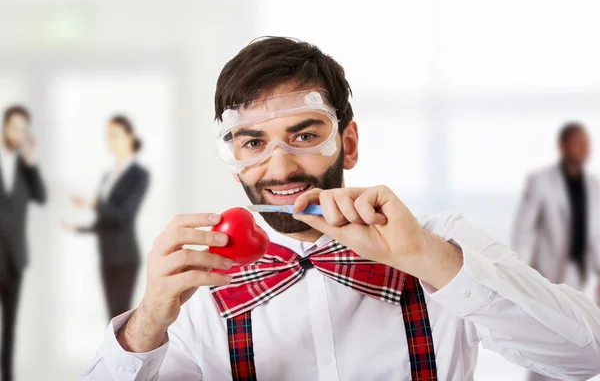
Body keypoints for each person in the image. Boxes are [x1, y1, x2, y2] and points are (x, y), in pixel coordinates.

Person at [81, 38, 600, 381]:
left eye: (305, 135)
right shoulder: (199, 288)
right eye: (253, 143)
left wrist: (426, 257)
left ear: (347, 144)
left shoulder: (443, 244)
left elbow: (584, 355)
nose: (279, 167)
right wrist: (147, 321)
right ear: (235, 161)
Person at [512, 122, 600, 381]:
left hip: (578, 270)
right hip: (547, 269)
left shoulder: (593, 185)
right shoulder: (541, 181)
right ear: (563, 146)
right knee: (546, 334)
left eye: (587, 143)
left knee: (574, 333)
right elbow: (523, 228)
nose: (585, 149)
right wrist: (518, 271)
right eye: (579, 143)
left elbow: (594, 232)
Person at [64, 115, 149, 320]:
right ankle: (111, 353)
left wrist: (92, 203)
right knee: (110, 317)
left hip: (124, 255)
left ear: (130, 137)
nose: (111, 141)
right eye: (108, 137)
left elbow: (124, 215)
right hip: (106, 254)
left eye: (115, 135)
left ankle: (121, 354)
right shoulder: (107, 176)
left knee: (120, 315)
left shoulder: (139, 174)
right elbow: (105, 219)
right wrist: (79, 229)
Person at [0, 105, 46, 381]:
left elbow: (40, 196)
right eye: (14, 127)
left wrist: (31, 163)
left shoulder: (23, 166)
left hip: (15, 259)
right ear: (5, 127)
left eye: (23, 129)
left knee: (10, 328)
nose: (18, 134)